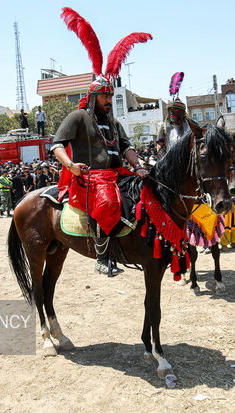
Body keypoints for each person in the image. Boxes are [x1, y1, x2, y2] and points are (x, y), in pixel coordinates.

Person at [51, 76, 148, 275]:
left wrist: (137, 166)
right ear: (93, 97)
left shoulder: (114, 123)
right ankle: (102, 258)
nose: (109, 100)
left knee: (145, 193)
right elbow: (57, 145)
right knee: (108, 203)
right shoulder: (78, 117)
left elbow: (127, 147)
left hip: (117, 174)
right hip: (91, 177)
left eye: (111, 96)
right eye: (105, 96)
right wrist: (70, 166)